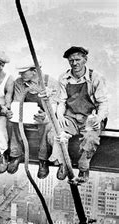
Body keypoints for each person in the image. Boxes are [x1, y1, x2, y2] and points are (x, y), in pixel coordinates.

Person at [47, 46, 108, 182]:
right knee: (55, 132)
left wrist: (99, 118)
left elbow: (103, 103)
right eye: (71, 60)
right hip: (71, 117)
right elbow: (61, 101)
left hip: (90, 118)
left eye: (77, 59)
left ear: (85, 60)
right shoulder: (64, 78)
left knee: (91, 138)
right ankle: (63, 164)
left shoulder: (95, 77)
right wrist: (60, 116)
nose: (74, 63)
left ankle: (83, 168)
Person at [6, 59, 60, 177]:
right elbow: (17, 102)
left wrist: (45, 116)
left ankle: (43, 160)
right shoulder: (20, 82)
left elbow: (54, 107)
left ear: (34, 71)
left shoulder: (51, 83)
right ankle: (16, 154)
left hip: (44, 115)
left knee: (46, 125)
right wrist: (14, 112)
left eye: (23, 72)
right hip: (26, 114)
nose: (20, 75)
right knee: (13, 121)